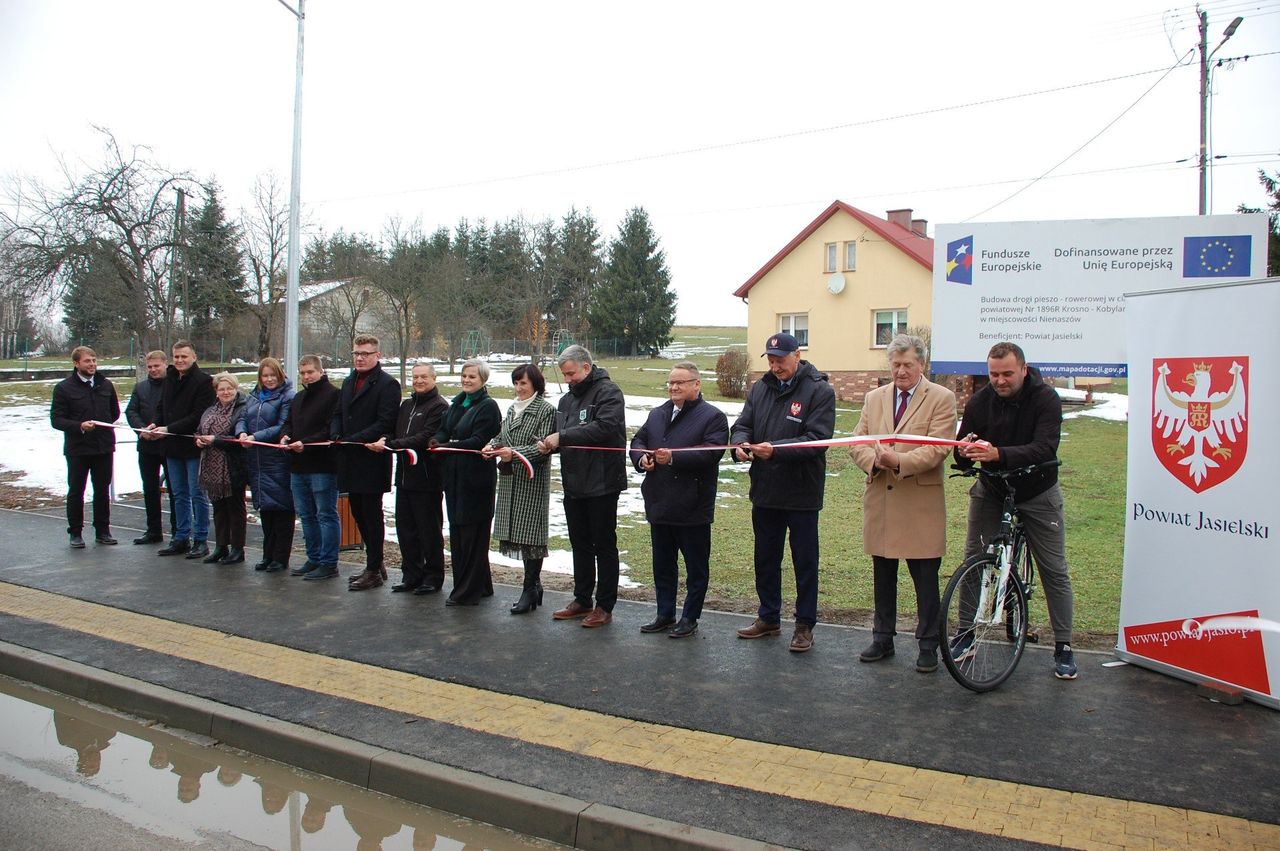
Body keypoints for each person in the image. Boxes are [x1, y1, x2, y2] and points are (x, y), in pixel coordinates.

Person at [955, 341, 1078, 679]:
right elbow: (960, 447)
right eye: (994, 374)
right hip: (993, 488)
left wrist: (999, 454)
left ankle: (1064, 645)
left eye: (1007, 373)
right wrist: (965, 451)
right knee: (973, 557)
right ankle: (966, 632)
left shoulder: (1045, 399)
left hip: (1038, 489)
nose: (1000, 380)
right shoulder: (980, 401)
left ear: (1024, 369)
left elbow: (1044, 447)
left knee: (1053, 567)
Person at [849, 334, 957, 673]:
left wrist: (898, 460)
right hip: (882, 500)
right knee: (883, 575)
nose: (900, 372)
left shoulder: (942, 398)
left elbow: (938, 448)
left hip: (919, 503)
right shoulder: (874, 398)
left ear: (921, 364)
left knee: (925, 579)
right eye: (895, 365)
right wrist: (873, 460)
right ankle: (882, 637)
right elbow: (858, 440)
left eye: (907, 365)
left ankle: (928, 645)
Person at [729, 332, 836, 652]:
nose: (776, 366)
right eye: (771, 360)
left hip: (802, 492)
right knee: (765, 558)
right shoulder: (760, 389)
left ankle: (804, 625)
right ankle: (768, 617)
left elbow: (817, 439)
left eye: (781, 360)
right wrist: (740, 445)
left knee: (804, 562)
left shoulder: (819, 390)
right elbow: (742, 425)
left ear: (797, 355)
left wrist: (773, 450)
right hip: (765, 489)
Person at [629, 362, 728, 638]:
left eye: (680, 383)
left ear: (696, 384)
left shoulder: (713, 417)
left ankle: (690, 617)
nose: (673, 387)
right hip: (660, 502)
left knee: (696, 567)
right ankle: (665, 612)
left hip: (692, 505)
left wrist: (673, 456)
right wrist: (642, 458)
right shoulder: (658, 413)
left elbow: (711, 453)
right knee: (663, 564)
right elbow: (638, 440)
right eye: (671, 383)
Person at [539, 345, 627, 628]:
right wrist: (548, 444)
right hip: (574, 482)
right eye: (565, 375)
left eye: (571, 373)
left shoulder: (609, 392)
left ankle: (604, 605)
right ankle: (582, 598)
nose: (568, 379)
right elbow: (560, 437)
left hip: (602, 482)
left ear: (586, 367)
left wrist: (561, 437)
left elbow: (605, 428)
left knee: (604, 544)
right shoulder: (565, 401)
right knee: (580, 544)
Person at [483, 362, 558, 615]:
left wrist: (512, 454)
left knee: (531, 535)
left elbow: (542, 447)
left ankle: (529, 587)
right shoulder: (512, 408)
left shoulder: (545, 410)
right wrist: (491, 446)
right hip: (509, 479)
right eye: (515, 383)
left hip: (531, 479)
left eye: (523, 383)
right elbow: (503, 436)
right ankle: (534, 586)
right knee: (516, 532)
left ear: (535, 384)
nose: (519, 388)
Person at [371, 362, 448, 595]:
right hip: (404, 478)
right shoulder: (406, 404)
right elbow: (394, 430)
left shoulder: (440, 406)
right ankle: (411, 575)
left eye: (424, 376)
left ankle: (433, 577)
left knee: (429, 531)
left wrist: (390, 446)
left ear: (433, 378)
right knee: (406, 530)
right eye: (415, 377)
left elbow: (425, 437)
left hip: (426, 480)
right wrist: (386, 439)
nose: (419, 381)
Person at [331, 334, 400, 591]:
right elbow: (338, 412)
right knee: (357, 512)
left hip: (371, 458)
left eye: (366, 354)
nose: (360, 358)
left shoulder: (387, 384)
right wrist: (337, 434)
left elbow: (386, 421)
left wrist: (353, 439)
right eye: (356, 354)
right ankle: (375, 562)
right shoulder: (349, 382)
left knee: (372, 514)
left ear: (377, 356)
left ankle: (373, 568)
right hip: (349, 458)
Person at [433, 359, 501, 606]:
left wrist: (448, 446)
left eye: (472, 376)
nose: (466, 380)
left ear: (483, 379)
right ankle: (481, 585)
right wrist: (436, 440)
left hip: (476, 480)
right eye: (464, 375)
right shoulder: (456, 403)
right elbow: (444, 429)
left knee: (473, 535)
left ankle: (467, 591)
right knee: (459, 533)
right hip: (454, 477)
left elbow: (478, 439)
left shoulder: (488, 407)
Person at [146, 341, 215, 559]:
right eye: (176, 357)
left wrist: (169, 428)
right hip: (171, 446)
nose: (179, 360)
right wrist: (154, 424)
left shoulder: (204, 382)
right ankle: (181, 537)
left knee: (197, 493)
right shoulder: (169, 380)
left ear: (193, 357)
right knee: (179, 494)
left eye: (184, 356)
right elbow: (161, 408)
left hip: (193, 446)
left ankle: (201, 539)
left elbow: (198, 415)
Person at [50, 345, 120, 548]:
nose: (92, 364)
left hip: (103, 447)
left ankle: (103, 530)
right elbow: (56, 420)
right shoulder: (64, 388)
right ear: (76, 363)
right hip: (78, 448)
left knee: (102, 490)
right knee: (76, 490)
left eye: (94, 360)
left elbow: (114, 412)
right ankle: (75, 532)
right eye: (87, 361)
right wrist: (79, 426)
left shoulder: (105, 385)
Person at [282, 355, 342, 581]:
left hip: (322, 466)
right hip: (298, 466)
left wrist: (306, 444)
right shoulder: (298, 397)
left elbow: (330, 429)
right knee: (306, 515)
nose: (306, 376)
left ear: (320, 371)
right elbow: (289, 422)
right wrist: (285, 436)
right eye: (303, 372)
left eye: (310, 372)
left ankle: (329, 563)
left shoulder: (334, 395)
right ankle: (313, 558)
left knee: (325, 514)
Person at [236, 358, 296, 573]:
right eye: (265, 375)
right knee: (266, 511)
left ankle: (280, 557)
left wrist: (256, 436)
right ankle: (267, 554)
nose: (269, 379)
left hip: (276, 460)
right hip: (257, 460)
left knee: (282, 510)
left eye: (273, 375)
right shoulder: (253, 396)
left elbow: (281, 425)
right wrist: (241, 432)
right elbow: (242, 417)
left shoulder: (288, 396)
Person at [194, 373, 248, 565]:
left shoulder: (242, 409)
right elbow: (200, 430)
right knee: (218, 508)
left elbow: (239, 438)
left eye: (229, 388)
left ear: (236, 389)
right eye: (222, 389)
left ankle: (237, 548)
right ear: (216, 392)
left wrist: (216, 440)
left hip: (233, 466)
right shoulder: (210, 410)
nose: (226, 392)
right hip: (211, 466)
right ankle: (220, 546)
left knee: (236, 508)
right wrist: (199, 440)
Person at [124, 350, 175, 544]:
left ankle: (178, 531)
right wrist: (141, 430)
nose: (153, 370)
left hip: (169, 445)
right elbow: (131, 411)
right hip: (146, 445)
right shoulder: (141, 387)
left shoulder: (173, 385)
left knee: (174, 489)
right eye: (150, 367)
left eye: (157, 366)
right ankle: (154, 530)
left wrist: (162, 429)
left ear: (165, 364)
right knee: (150, 488)